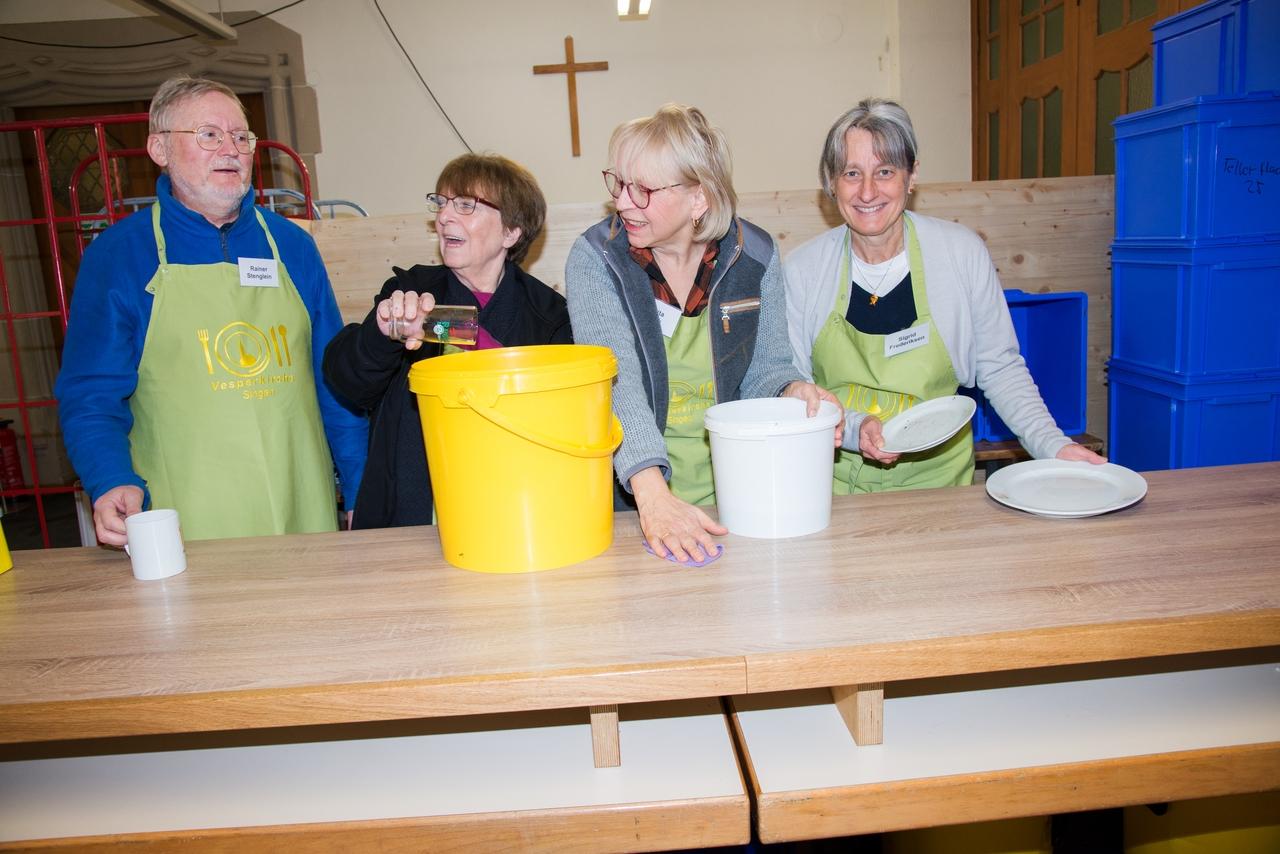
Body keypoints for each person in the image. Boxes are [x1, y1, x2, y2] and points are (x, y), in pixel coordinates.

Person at [55, 75, 366, 544]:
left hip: (303, 514)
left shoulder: (292, 248)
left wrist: (363, 490)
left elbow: (336, 384)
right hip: (184, 526)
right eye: (209, 135)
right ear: (159, 149)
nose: (231, 149)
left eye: (242, 137)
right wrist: (110, 478)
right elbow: (91, 394)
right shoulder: (120, 256)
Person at [784, 97, 1104, 494]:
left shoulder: (960, 253)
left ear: (911, 175)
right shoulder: (802, 271)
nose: (868, 191)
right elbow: (792, 386)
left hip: (941, 487)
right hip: (832, 485)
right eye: (852, 173)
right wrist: (854, 428)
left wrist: (1053, 445)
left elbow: (1000, 368)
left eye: (885, 171)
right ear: (831, 182)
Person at [566, 104, 841, 564]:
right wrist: (653, 498)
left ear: (699, 199)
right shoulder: (598, 259)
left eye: (643, 189)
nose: (623, 202)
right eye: (618, 183)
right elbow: (616, 386)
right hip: (634, 494)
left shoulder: (753, 256)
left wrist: (794, 391)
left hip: (740, 492)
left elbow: (766, 370)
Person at [323, 154, 570, 529]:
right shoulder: (408, 290)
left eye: (466, 205)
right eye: (441, 203)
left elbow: (555, 418)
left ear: (511, 232)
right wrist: (383, 330)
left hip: (512, 513)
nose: (444, 217)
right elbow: (346, 380)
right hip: (413, 516)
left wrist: (448, 327)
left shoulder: (549, 316)